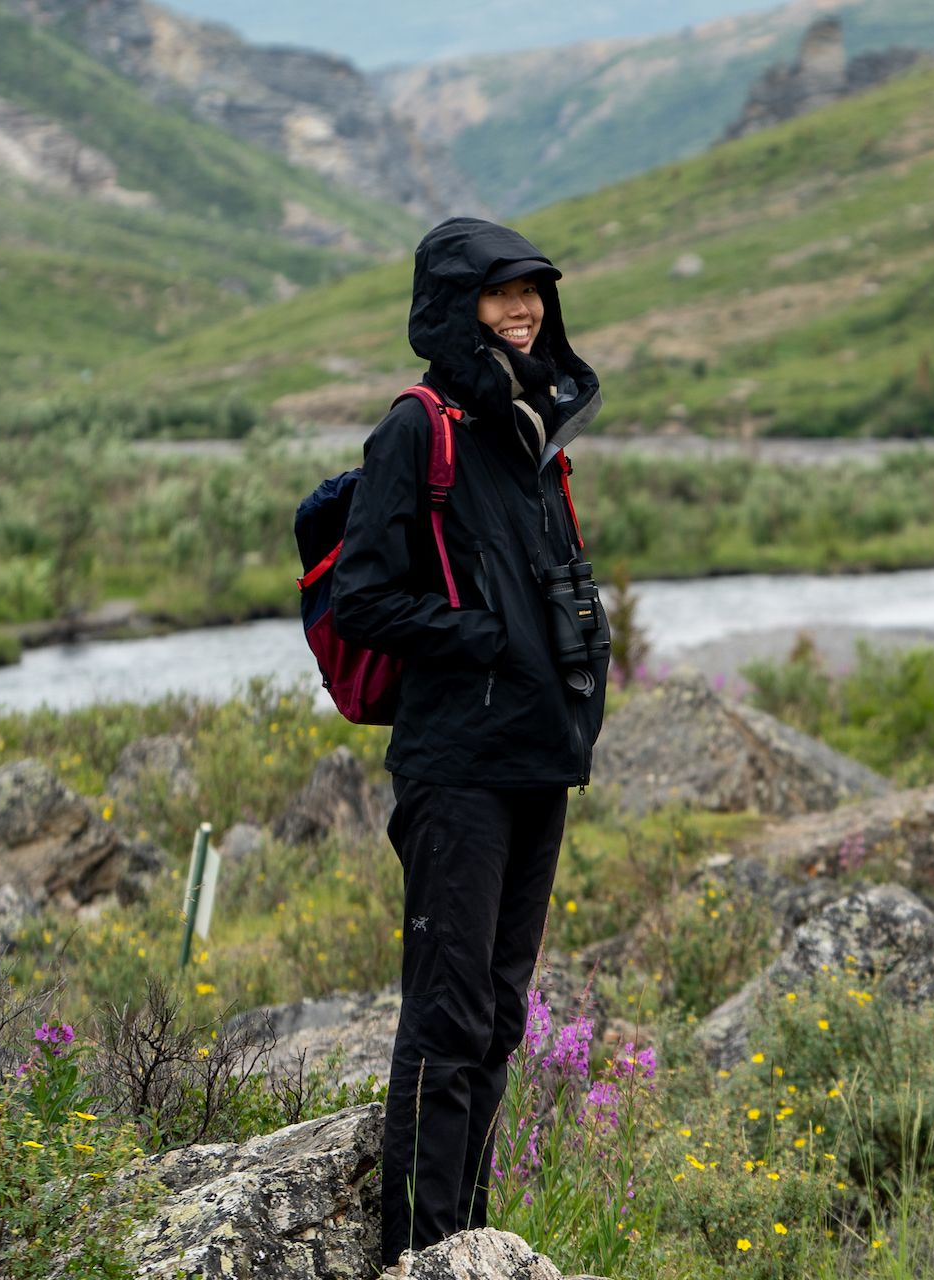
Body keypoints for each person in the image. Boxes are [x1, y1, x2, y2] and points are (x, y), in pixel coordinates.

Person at [330, 216, 609, 1272]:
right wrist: (484, 638)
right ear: (457, 308)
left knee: (495, 1014)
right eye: (502, 293)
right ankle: (420, 1252)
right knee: (446, 1020)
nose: (526, 306)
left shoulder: (527, 426)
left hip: (538, 758)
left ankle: (472, 1241)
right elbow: (363, 598)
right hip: (457, 769)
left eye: (535, 288)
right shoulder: (419, 429)